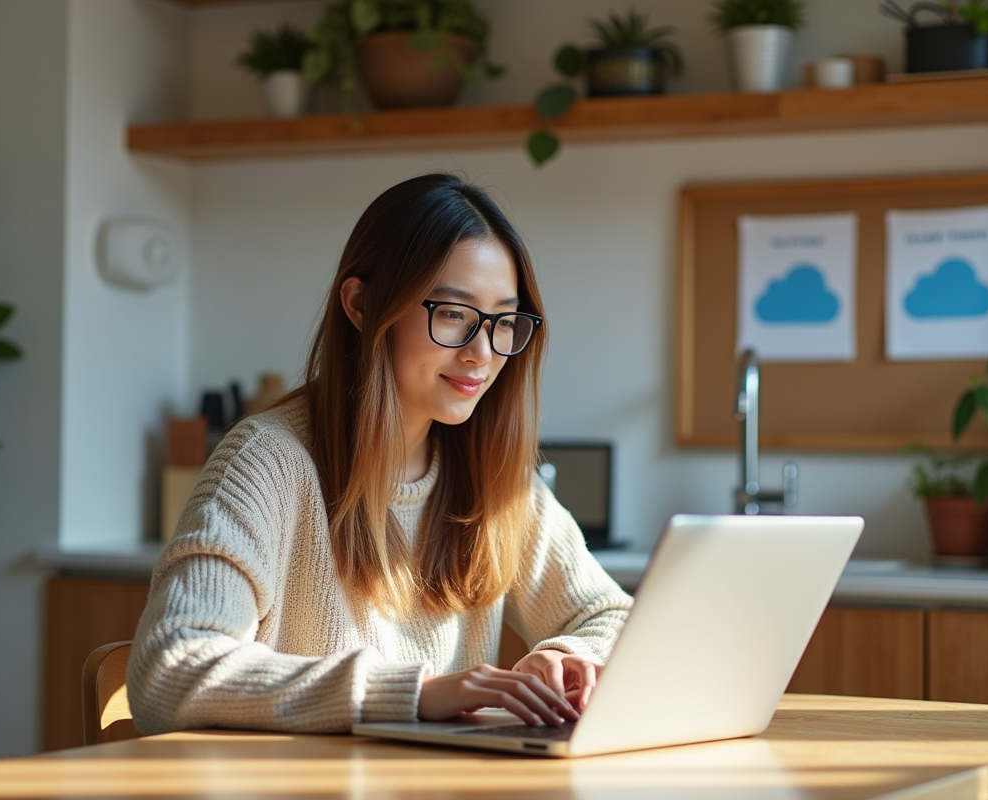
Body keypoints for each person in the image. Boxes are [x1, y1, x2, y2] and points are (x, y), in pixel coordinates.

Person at [127, 173, 633, 735]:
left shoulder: (494, 479)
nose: (482, 353)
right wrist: (410, 693)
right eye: (452, 314)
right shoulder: (265, 462)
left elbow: (612, 615)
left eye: (503, 321)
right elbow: (168, 672)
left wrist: (568, 656)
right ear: (362, 304)